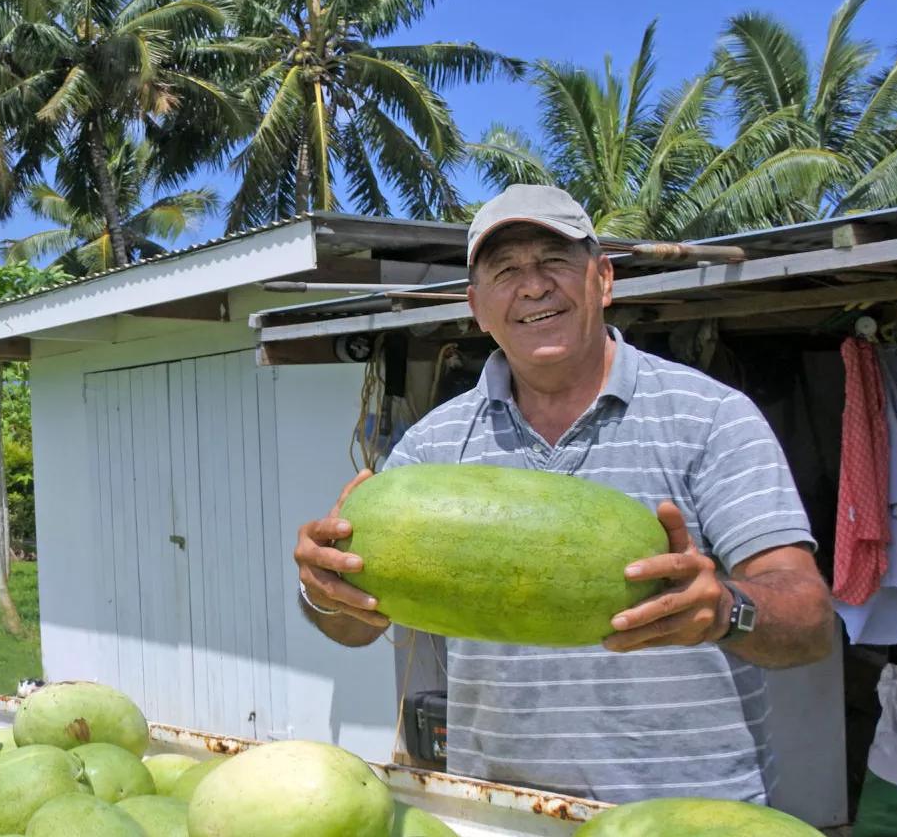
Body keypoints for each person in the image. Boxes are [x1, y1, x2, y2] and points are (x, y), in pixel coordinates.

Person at [292, 184, 834, 805]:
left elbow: (811, 620)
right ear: (477, 307)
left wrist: (726, 610)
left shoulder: (711, 417)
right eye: (505, 270)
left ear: (603, 279)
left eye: (555, 260)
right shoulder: (432, 444)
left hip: (687, 813)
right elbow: (358, 628)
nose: (533, 285)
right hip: (508, 814)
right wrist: (324, 590)